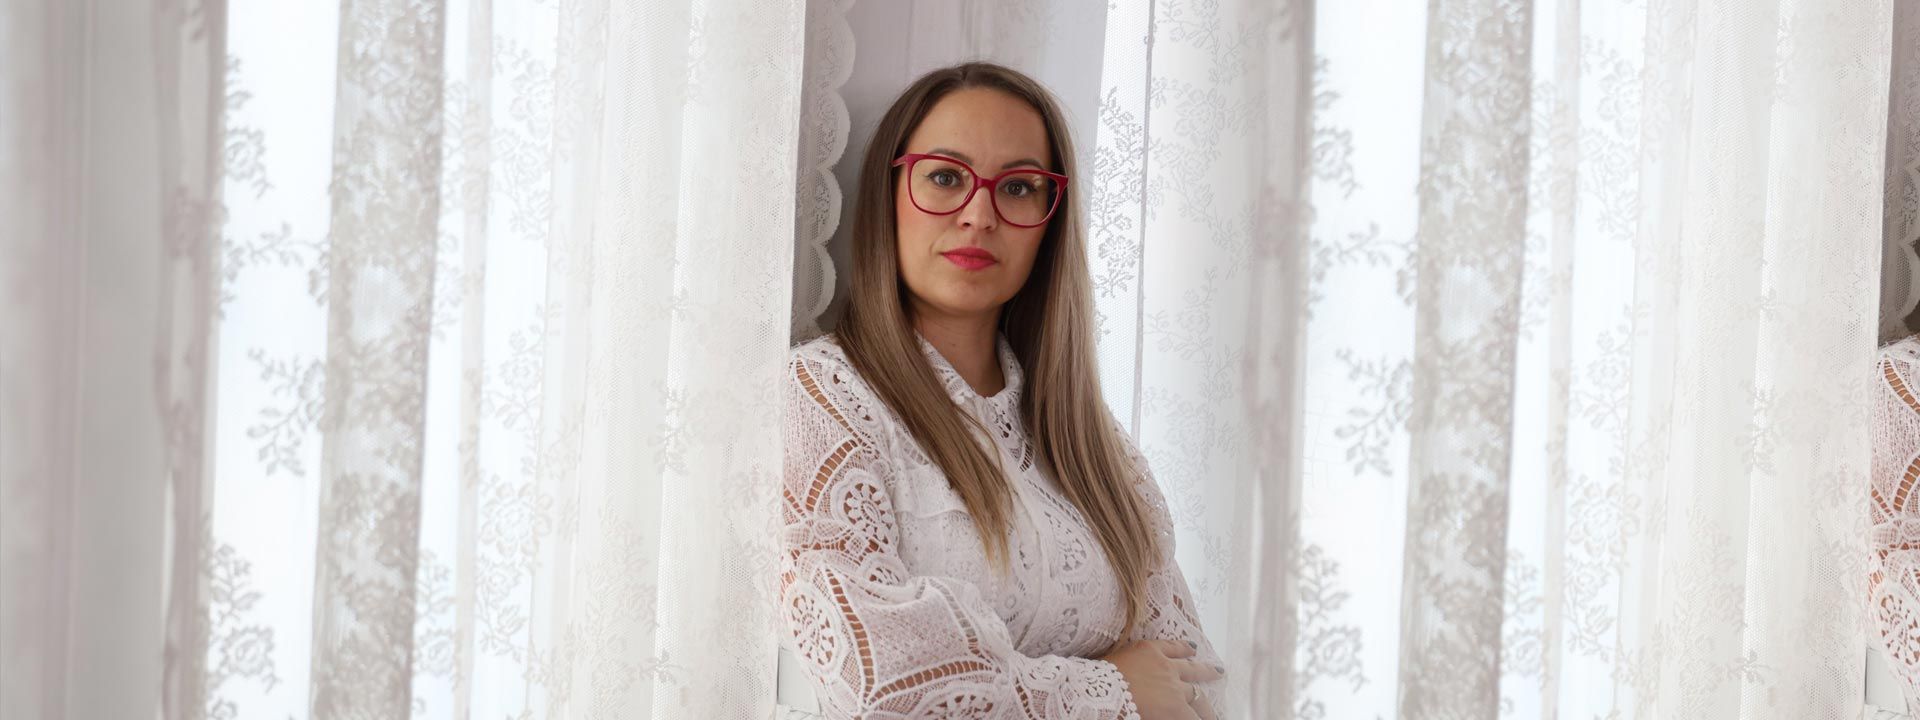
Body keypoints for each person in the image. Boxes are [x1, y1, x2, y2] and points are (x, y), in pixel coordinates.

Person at [778, 61, 1225, 719]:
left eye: (1018, 187)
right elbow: (880, 687)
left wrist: (1008, 678)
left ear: (1050, 219)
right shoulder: (823, 399)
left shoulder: (1093, 444)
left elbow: (1195, 687)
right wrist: (1115, 689)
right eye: (945, 177)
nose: (979, 214)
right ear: (888, 192)